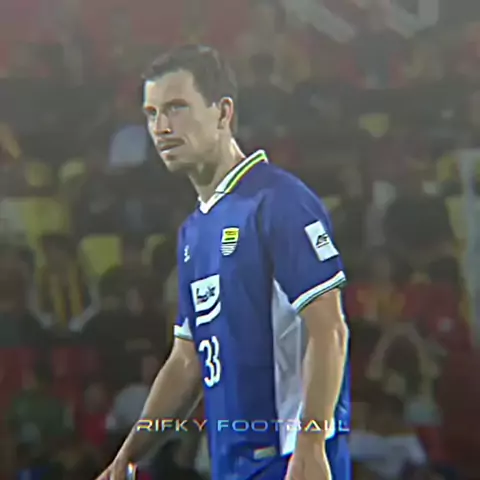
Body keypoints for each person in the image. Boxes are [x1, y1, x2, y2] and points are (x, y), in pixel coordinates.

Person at [97, 44, 350, 480]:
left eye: (177, 108)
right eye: (152, 114)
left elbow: (329, 329)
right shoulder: (193, 232)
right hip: (229, 467)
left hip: (288, 462)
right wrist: (128, 456)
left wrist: (311, 443)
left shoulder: (279, 201)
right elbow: (187, 360)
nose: (161, 127)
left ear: (223, 112)